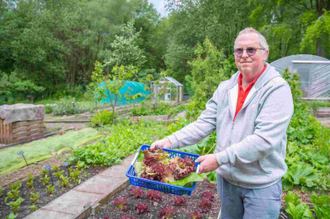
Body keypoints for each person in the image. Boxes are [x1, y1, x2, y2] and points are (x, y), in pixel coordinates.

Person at [151, 27, 294, 219]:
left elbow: (264, 141)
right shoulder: (226, 88)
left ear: (265, 53)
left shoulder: (277, 90)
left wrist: (219, 159)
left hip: (260, 186)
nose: (244, 55)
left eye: (251, 50)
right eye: (239, 50)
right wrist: (170, 141)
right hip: (227, 182)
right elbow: (205, 123)